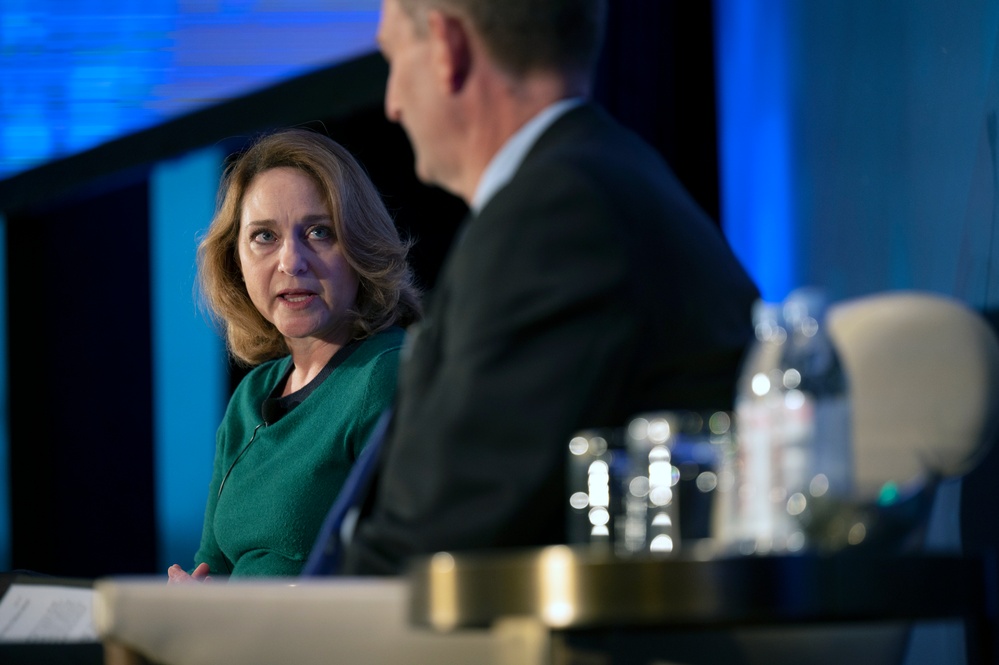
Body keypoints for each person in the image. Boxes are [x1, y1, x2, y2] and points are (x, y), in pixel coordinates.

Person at [309, 0, 760, 576]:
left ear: (447, 48)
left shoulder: (557, 213)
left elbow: (439, 534)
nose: (392, 103)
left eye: (394, 59)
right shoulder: (603, 175)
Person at [167, 127, 421, 581]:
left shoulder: (386, 374)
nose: (290, 262)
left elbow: (395, 574)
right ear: (236, 259)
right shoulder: (252, 396)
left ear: (359, 245)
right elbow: (212, 565)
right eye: (264, 237)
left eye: (319, 232)